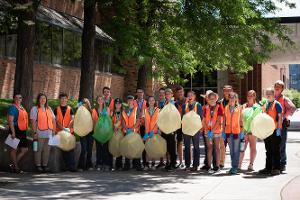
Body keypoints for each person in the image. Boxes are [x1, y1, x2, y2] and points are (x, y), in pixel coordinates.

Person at [259, 88, 283, 176]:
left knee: (275, 150)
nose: (268, 95)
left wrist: (279, 129)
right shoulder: (265, 104)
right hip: (267, 131)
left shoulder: (277, 104)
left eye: (270, 93)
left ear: (273, 94)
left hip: (275, 130)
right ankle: (268, 168)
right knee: (268, 150)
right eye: (267, 93)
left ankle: (276, 168)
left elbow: (280, 117)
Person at [30, 93, 56, 173]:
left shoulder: (49, 108)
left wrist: (54, 131)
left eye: (44, 98)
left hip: (49, 133)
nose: (43, 100)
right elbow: (33, 121)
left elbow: (53, 120)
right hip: (39, 133)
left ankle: (44, 166)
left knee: (47, 150)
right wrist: (34, 132)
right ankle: (38, 166)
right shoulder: (34, 109)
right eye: (41, 98)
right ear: (38, 99)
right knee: (38, 149)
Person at [274, 80, 296, 172]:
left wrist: (284, 116)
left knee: (281, 145)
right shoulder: (272, 97)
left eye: (279, 86)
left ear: (282, 89)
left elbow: (293, 108)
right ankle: (275, 164)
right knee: (274, 145)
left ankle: (282, 164)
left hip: (281, 125)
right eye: (275, 86)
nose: (276, 87)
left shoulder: (284, 99)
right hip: (272, 124)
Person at [54, 93, 76, 172]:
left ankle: (72, 167)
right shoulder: (56, 109)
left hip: (69, 132)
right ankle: (66, 167)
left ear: (67, 99)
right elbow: (56, 121)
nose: (63, 100)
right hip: (60, 132)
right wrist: (63, 128)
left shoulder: (70, 109)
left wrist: (68, 128)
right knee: (63, 150)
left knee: (70, 149)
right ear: (60, 99)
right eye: (62, 98)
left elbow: (72, 119)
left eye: (65, 98)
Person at [7, 94, 29, 173]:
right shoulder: (12, 108)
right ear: (14, 99)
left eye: (20, 98)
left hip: (22, 130)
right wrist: (13, 132)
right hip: (15, 130)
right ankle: (16, 167)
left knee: (25, 149)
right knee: (14, 149)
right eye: (16, 98)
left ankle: (13, 164)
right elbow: (10, 121)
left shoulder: (22, 107)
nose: (18, 99)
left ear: (21, 99)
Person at [182, 90, 203, 171]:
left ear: (194, 97)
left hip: (195, 129)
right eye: (188, 95)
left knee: (196, 147)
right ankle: (187, 164)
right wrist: (186, 104)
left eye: (191, 95)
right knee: (187, 147)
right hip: (187, 129)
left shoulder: (198, 105)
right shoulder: (185, 105)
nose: (190, 97)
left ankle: (195, 165)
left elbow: (200, 117)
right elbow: (183, 116)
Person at [202, 91, 222, 173]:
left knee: (217, 148)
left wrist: (212, 131)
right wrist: (207, 129)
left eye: (214, 98)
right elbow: (203, 120)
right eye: (210, 99)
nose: (212, 100)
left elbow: (218, 120)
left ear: (216, 99)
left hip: (216, 131)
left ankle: (217, 166)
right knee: (209, 148)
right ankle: (208, 166)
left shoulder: (219, 107)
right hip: (207, 131)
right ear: (208, 99)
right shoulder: (205, 107)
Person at [224, 92, 243, 175]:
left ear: (236, 99)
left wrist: (242, 132)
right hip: (228, 132)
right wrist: (223, 131)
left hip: (236, 132)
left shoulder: (239, 108)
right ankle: (233, 166)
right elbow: (224, 120)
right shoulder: (226, 107)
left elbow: (242, 120)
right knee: (231, 151)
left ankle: (235, 167)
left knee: (236, 150)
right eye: (230, 98)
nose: (231, 99)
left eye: (233, 98)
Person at [238, 90, 257, 171]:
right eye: (248, 95)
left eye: (251, 95)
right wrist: (242, 129)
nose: (249, 97)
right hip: (243, 131)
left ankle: (251, 164)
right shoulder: (243, 106)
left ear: (254, 97)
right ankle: (239, 165)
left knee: (252, 147)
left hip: (253, 131)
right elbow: (239, 118)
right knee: (242, 148)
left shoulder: (257, 107)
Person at [92, 96, 112, 171]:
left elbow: (109, 120)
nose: (100, 101)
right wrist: (95, 131)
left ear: (103, 101)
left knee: (105, 148)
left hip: (106, 131)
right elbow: (93, 121)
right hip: (98, 131)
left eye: (101, 99)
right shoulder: (94, 110)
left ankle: (106, 163)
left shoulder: (107, 109)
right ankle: (98, 164)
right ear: (97, 101)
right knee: (99, 148)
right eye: (98, 100)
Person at [122, 95, 141, 171]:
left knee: (136, 148)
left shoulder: (137, 109)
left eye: (131, 100)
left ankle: (137, 164)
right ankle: (127, 165)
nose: (130, 101)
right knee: (127, 148)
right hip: (127, 132)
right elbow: (123, 120)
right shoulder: (124, 110)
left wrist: (132, 128)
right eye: (128, 100)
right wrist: (125, 128)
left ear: (133, 101)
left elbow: (138, 120)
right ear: (127, 102)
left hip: (134, 131)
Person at [142, 96, 160, 170]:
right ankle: (146, 164)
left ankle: (153, 164)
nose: (151, 102)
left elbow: (159, 121)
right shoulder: (144, 110)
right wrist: (146, 132)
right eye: (150, 100)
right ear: (148, 102)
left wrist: (153, 130)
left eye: (153, 100)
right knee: (146, 148)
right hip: (147, 132)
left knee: (153, 148)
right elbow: (143, 121)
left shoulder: (158, 110)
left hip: (154, 132)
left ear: (154, 101)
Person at [78, 98, 94, 172]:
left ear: (88, 104)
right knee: (84, 149)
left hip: (90, 132)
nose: (85, 104)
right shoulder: (79, 112)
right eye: (83, 103)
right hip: (82, 133)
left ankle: (89, 165)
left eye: (86, 103)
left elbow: (94, 121)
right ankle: (81, 166)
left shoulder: (91, 112)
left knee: (89, 149)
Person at [163, 88, 177, 171]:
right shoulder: (164, 103)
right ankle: (168, 162)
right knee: (166, 146)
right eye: (166, 94)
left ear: (172, 95)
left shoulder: (173, 103)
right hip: (165, 128)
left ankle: (173, 163)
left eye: (169, 94)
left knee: (172, 146)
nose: (167, 95)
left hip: (171, 128)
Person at [219, 85, 233, 169]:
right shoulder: (220, 102)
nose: (227, 92)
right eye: (225, 91)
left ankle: (234, 163)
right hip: (222, 127)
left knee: (232, 147)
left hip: (232, 127)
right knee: (222, 146)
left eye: (228, 91)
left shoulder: (234, 102)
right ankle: (221, 163)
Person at [133, 88, 148, 169]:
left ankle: (145, 162)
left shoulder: (146, 102)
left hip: (144, 126)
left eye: (141, 92)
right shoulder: (133, 102)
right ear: (136, 94)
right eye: (138, 92)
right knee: (136, 144)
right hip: (136, 126)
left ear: (143, 93)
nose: (140, 94)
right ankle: (136, 162)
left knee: (144, 144)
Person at [175, 86, 187, 169]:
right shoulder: (175, 103)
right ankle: (181, 161)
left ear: (183, 92)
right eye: (179, 92)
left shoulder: (188, 101)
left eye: (181, 92)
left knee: (188, 143)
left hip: (187, 124)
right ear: (177, 93)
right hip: (178, 125)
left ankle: (188, 162)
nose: (180, 93)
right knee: (179, 142)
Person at [156, 88, 167, 169]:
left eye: (163, 93)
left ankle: (168, 161)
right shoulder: (156, 103)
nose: (161, 95)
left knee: (167, 143)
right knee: (160, 144)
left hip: (166, 126)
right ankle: (161, 161)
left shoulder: (167, 103)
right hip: (158, 126)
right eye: (160, 93)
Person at [112, 98, 124, 170]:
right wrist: (114, 127)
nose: (118, 105)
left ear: (121, 104)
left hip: (121, 132)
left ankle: (119, 165)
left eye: (119, 103)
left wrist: (120, 127)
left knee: (120, 147)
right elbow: (110, 121)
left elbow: (125, 121)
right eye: (116, 103)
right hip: (114, 132)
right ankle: (113, 164)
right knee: (114, 147)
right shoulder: (112, 112)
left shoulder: (123, 112)